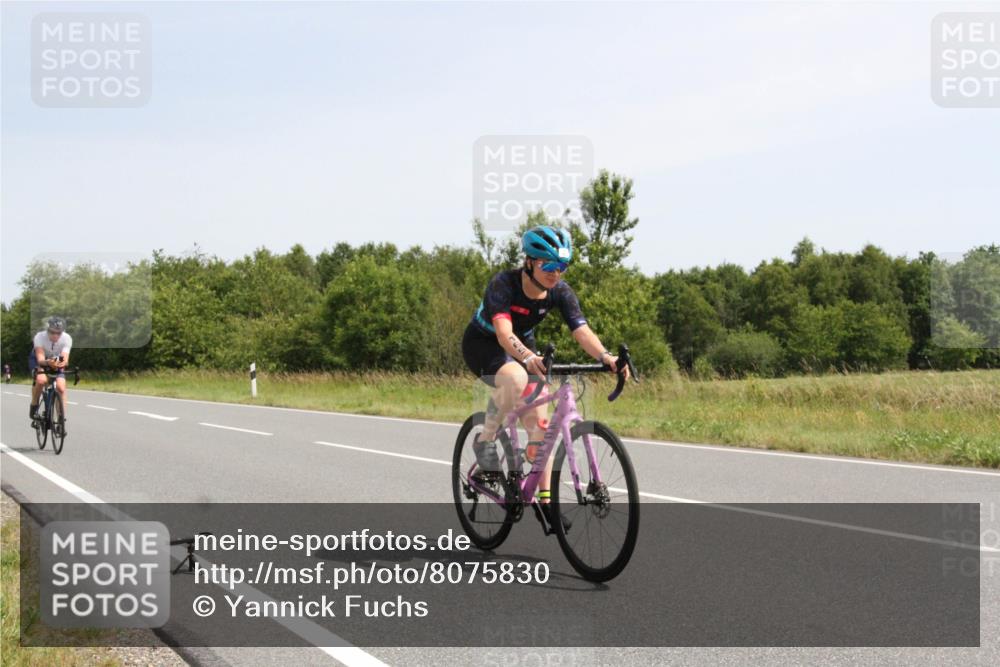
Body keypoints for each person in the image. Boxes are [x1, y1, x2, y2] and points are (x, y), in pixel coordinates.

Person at [461, 225, 627, 521]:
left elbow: (581, 330)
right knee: (515, 377)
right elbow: (503, 332)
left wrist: (606, 356)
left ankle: (546, 501)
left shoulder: (559, 291)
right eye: (548, 265)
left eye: (562, 266)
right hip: (484, 342)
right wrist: (526, 357)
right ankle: (485, 441)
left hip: (523, 345)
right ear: (529, 262)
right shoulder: (504, 284)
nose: (556, 273)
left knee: (541, 424)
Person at [29, 317, 72, 422]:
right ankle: (34, 405)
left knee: (61, 387)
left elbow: (65, 359)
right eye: (52, 332)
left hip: (56, 360)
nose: (55, 335)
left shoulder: (67, 338)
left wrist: (59, 362)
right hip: (40, 360)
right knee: (41, 380)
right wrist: (49, 362)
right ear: (47, 330)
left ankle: (61, 417)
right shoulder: (39, 337)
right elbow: (40, 359)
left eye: (58, 333)